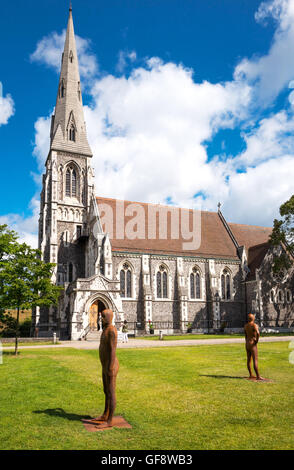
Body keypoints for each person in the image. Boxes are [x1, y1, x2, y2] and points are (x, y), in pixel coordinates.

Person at [97, 309, 119, 426]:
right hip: (105, 365)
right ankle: (105, 414)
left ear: (110, 317)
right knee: (106, 391)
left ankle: (109, 420)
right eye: (101, 317)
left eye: (104, 317)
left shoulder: (112, 331)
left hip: (111, 366)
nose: (101, 319)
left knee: (111, 392)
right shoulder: (105, 329)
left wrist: (110, 368)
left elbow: (113, 351)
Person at [244, 313, 264, 381]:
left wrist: (246, 342)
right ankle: (258, 376)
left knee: (249, 359)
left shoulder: (246, 326)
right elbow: (258, 333)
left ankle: (251, 374)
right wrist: (257, 340)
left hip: (247, 343)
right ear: (253, 318)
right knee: (255, 360)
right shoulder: (254, 325)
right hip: (252, 343)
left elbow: (245, 335)